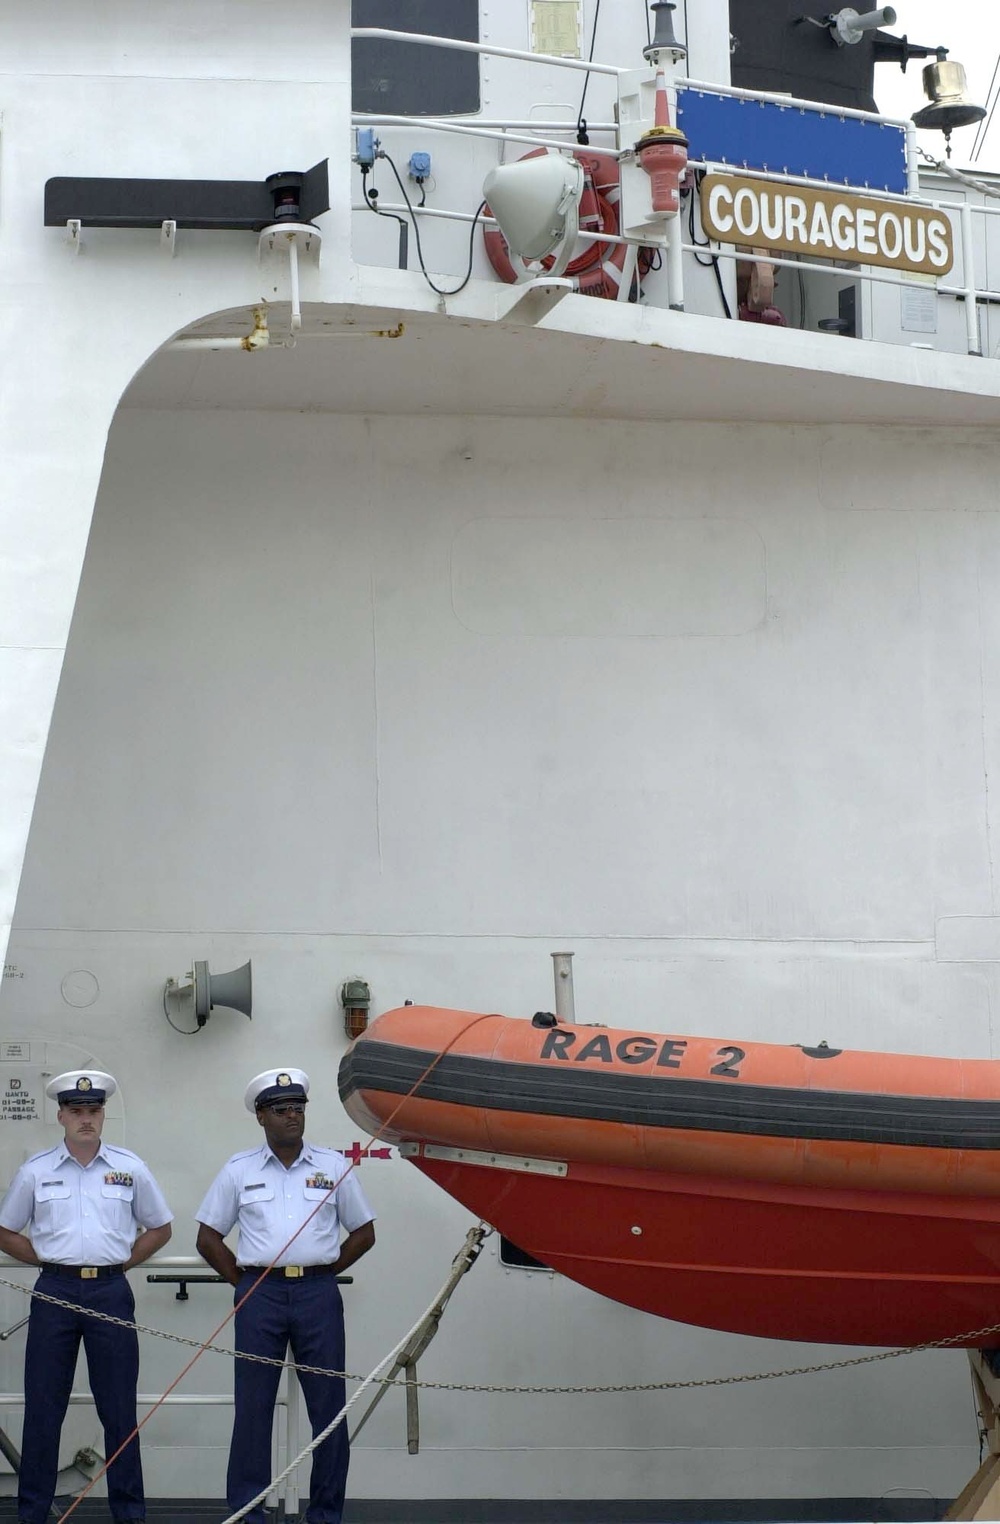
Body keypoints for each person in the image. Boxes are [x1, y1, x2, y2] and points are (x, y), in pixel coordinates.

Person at [195, 1067, 376, 1524]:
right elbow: (207, 1237)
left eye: (298, 1108)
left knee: (328, 1410)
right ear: (261, 1117)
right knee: (253, 1409)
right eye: (281, 1109)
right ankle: (248, 1512)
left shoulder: (332, 1167)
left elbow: (364, 1232)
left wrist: (324, 1270)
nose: (292, 1116)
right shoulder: (239, 1170)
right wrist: (241, 1282)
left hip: (317, 1294)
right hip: (261, 1294)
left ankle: (325, 1514)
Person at [0, 1070, 173, 1524]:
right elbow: (5, 1231)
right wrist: (46, 1261)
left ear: (103, 1114)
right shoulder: (36, 1171)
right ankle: (33, 1514)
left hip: (111, 1291)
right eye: (76, 1111)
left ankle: (129, 1514)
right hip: (54, 1290)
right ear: (60, 1115)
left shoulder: (129, 1168)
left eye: (93, 1110)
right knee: (43, 1408)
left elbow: (160, 1227)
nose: (86, 1119)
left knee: (118, 1410)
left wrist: (120, 1264)